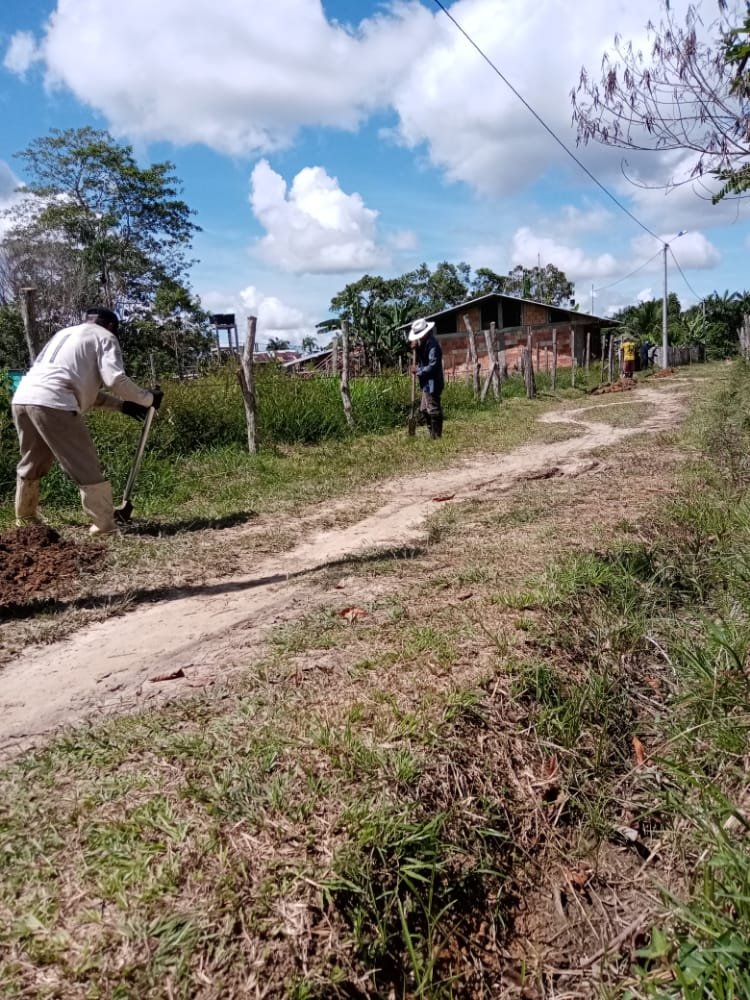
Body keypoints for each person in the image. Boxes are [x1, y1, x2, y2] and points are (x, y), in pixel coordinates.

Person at [12, 307, 162, 535]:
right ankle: (104, 526)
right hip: (54, 402)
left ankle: (25, 519)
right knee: (86, 466)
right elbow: (115, 379)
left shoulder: (63, 334)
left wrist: (122, 405)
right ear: (111, 326)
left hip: (23, 398)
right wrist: (148, 398)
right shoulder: (105, 336)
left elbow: (78, 388)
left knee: (32, 461)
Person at [409, 317, 444, 439]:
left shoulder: (433, 346)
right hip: (426, 382)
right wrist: (416, 349)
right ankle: (432, 433)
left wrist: (418, 370)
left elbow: (433, 366)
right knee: (424, 409)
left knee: (433, 408)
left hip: (432, 382)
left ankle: (436, 436)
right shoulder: (424, 343)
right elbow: (423, 358)